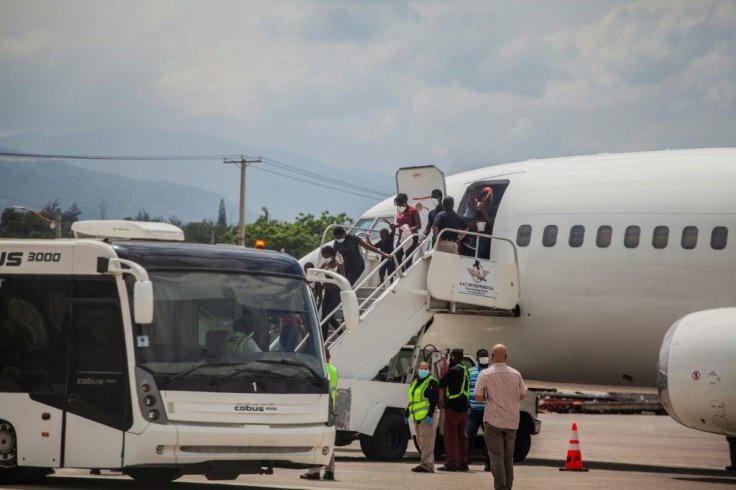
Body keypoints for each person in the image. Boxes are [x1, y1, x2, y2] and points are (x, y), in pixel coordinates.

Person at [474, 344, 526, 490]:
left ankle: (501, 487)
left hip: (493, 420)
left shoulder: (485, 374)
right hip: (511, 421)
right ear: (506, 357)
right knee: (508, 457)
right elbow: (522, 395)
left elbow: (478, 398)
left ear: (491, 356)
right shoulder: (515, 374)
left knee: (496, 456)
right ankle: (508, 486)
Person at [302, 348, 339, 480]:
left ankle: (314, 471)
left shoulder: (320, 370)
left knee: (316, 440)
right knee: (328, 442)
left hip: (319, 409)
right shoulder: (334, 370)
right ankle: (330, 471)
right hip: (330, 409)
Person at [438, 348, 470, 472]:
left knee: (450, 436)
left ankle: (451, 463)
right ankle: (463, 463)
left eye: (451, 357)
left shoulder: (452, 371)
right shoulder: (465, 370)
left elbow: (441, 383)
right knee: (462, 436)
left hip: (452, 408)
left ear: (454, 357)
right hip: (463, 409)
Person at [406, 361, 439, 473]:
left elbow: (434, 400)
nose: (423, 370)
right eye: (422, 368)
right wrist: (407, 413)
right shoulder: (415, 382)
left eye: (426, 368)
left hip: (427, 416)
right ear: (417, 370)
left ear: (429, 371)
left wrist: (430, 414)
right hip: (417, 417)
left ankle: (426, 465)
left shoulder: (432, 382)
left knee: (427, 442)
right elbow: (412, 400)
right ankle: (427, 464)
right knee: (421, 442)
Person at [467, 348, 492, 471]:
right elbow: (466, 387)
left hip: (487, 411)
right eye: (482, 356)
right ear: (477, 358)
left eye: (485, 355)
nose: (484, 357)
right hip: (473, 410)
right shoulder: (470, 371)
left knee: (489, 438)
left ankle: (489, 464)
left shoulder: (492, 371)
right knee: (468, 437)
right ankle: (465, 461)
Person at [383, 193, 421, 270]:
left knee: (408, 257)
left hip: (411, 237)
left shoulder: (413, 211)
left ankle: (406, 274)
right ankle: (403, 272)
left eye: (400, 204)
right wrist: (394, 225)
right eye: (397, 205)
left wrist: (410, 229)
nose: (399, 207)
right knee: (397, 257)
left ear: (405, 202)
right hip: (402, 237)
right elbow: (400, 224)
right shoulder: (400, 212)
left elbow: (419, 225)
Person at [318, 245, 345, 341]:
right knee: (323, 318)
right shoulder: (325, 264)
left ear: (332, 255)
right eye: (324, 257)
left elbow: (343, 279)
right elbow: (317, 272)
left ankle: (341, 333)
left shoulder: (339, 265)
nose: (325, 259)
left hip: (336, 291)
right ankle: (323, 340)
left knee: (329, 316)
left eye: (327, 256)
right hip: (327, 291)